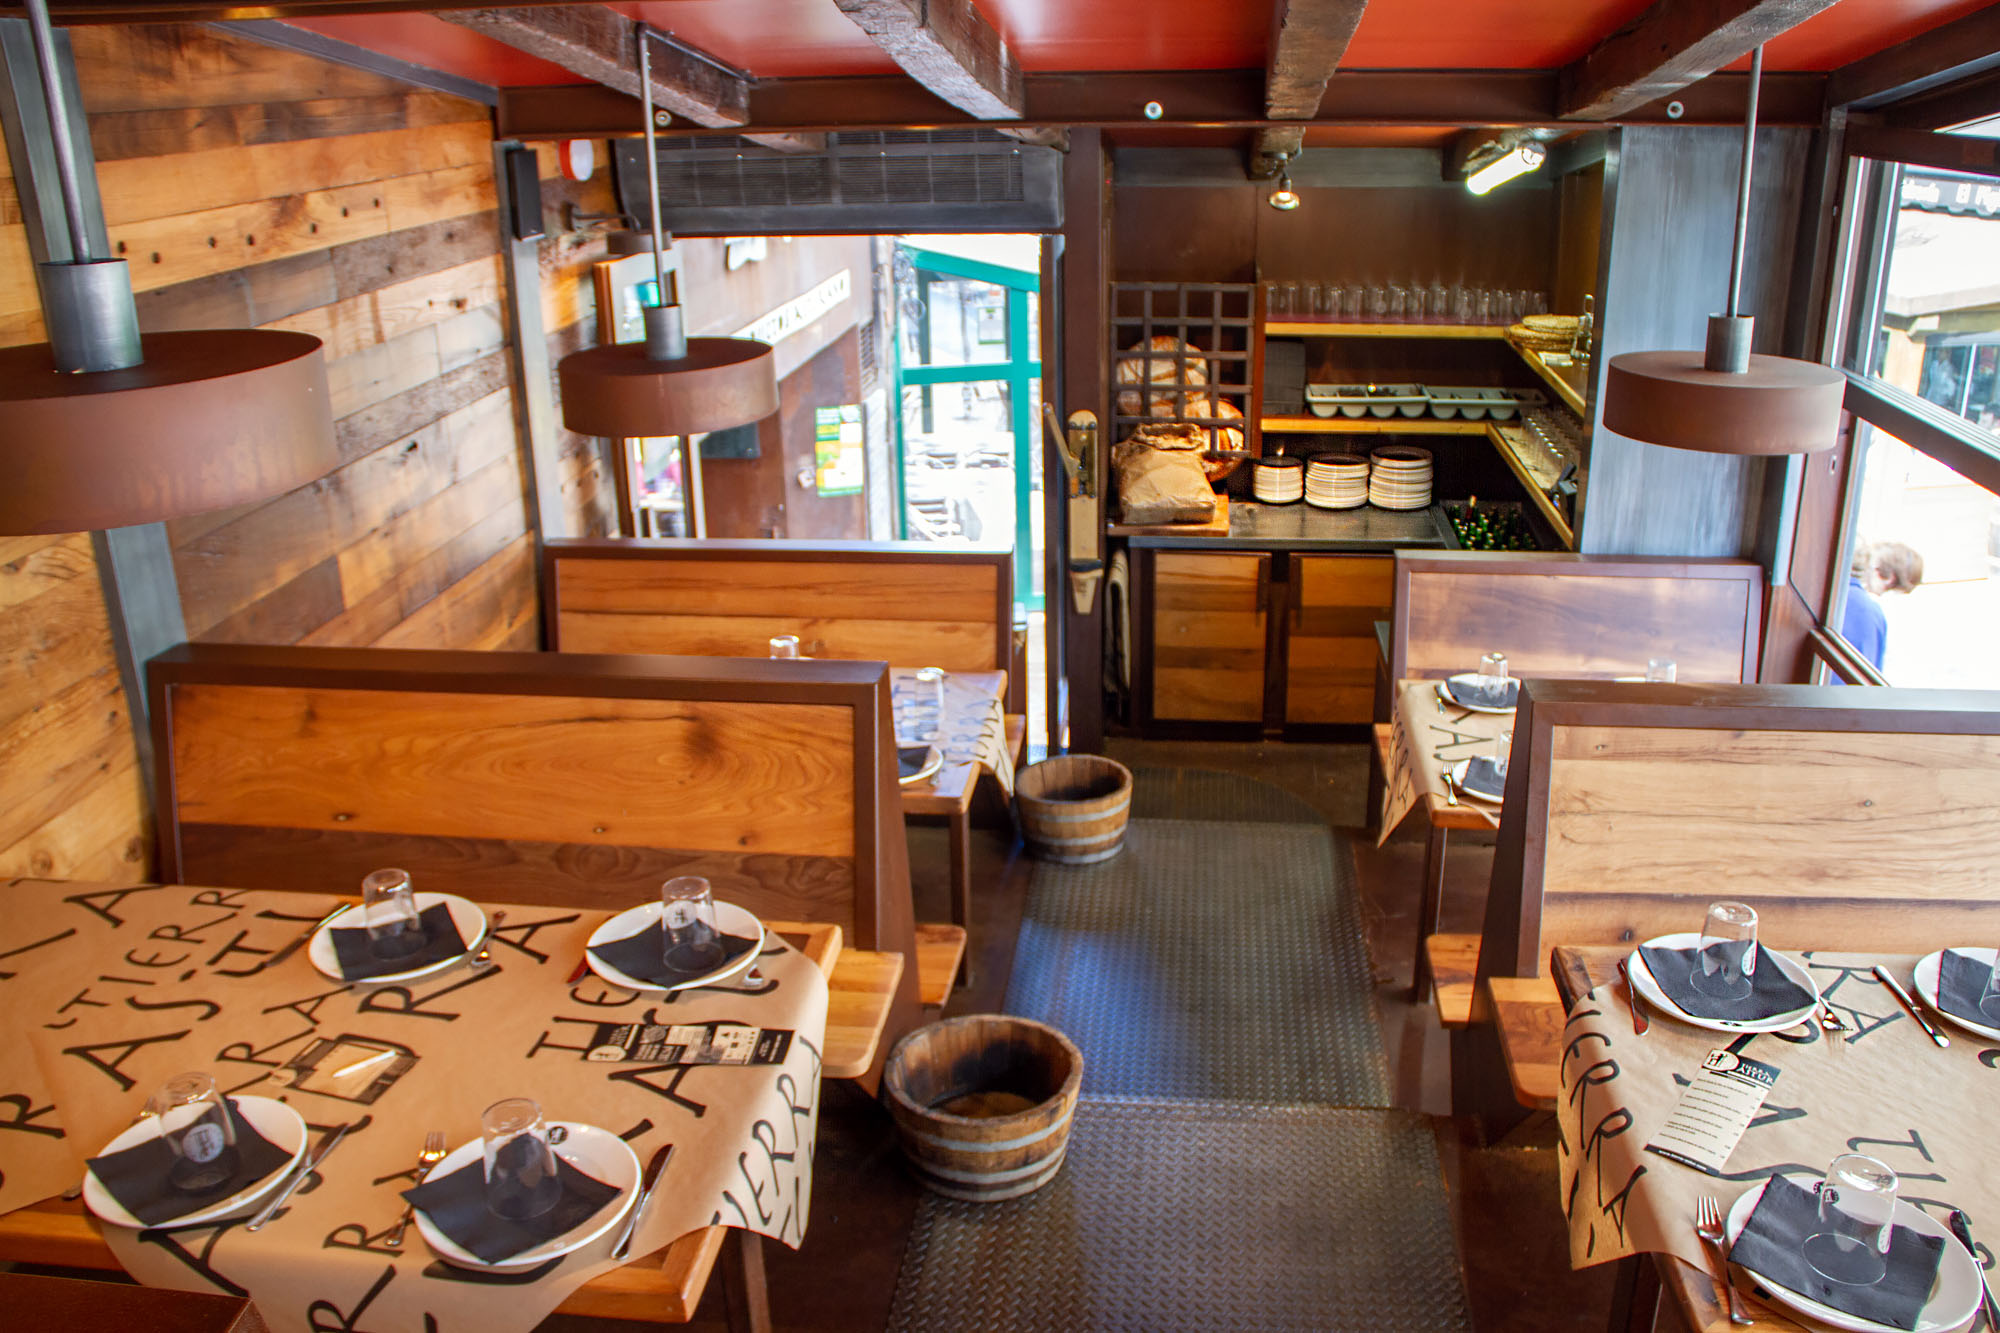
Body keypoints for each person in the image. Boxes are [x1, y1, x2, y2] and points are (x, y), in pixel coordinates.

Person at [1838, 540, 1924, 673]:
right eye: (1889, 589)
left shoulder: (1837, 589)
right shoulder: (1866, 610)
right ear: (1889, 579)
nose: (1880, 594)